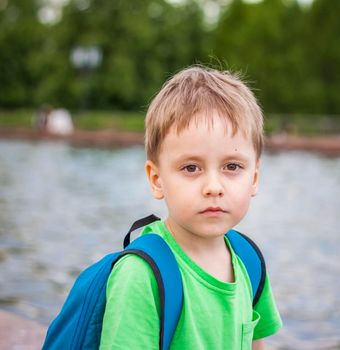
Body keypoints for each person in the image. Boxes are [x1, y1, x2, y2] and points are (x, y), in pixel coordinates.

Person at [100, 66, 282, 349]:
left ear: (254, 178)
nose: (213, 186)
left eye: (232, 166)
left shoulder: (249, 261)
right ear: (157, 179)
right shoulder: (141, 276)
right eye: (191, 167)